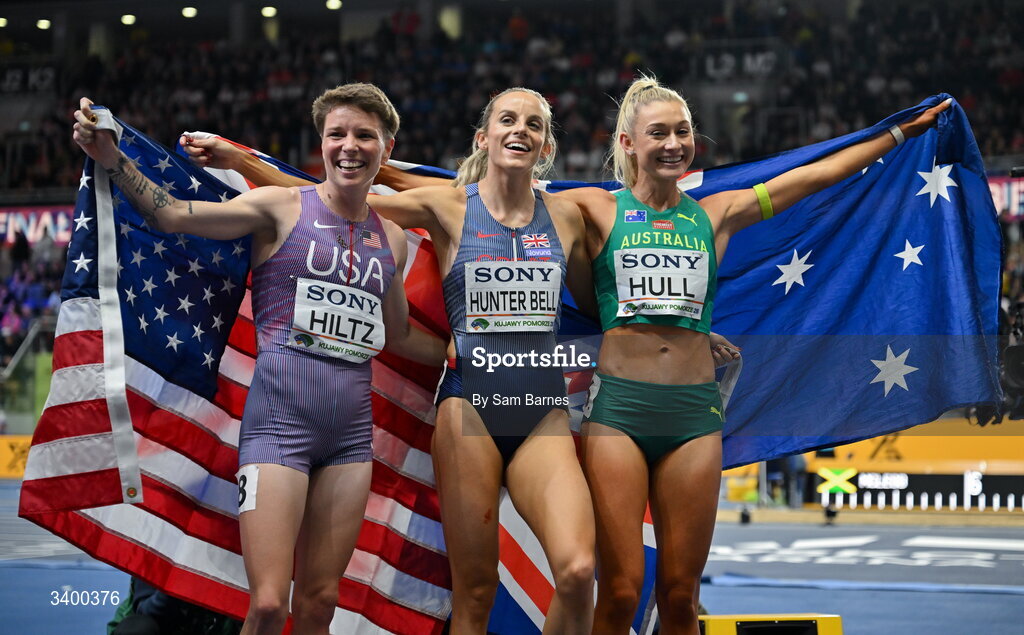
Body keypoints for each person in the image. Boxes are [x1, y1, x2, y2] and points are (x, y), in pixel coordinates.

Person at [184, 87, 600, 634]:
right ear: (484, 137)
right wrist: (243, 161)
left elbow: (603, 307)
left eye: (533, 124)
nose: (520, 130)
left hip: (537, 406)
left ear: (545, 146)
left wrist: (682, 335)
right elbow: (331, 202)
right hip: (468, 408)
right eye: (507, 119)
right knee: (474, 591)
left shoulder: (568, 217)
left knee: (577, 570)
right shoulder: (448, 204)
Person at [553, 78, 949, 634]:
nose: (673, 143)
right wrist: (391, 179)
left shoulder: (717, 213)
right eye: (658, 133)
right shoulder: (594, 209)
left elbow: (812, 177)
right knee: (618, 592)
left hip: (694, 417)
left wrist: (897, 133)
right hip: (619, 411)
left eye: (683, 132)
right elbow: (500, 201)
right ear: (627, 144)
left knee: (681, 595)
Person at [73, 84, 445, 635]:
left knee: (319, 603)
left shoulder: (390, 239)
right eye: (337, 134)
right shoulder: (281, 206)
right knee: (269, 605)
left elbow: (397, 334)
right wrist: (114, 158)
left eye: (365, 136)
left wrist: (465, 353)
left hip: (351, 440)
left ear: (386, 149)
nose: (350, 146)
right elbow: (173, 215)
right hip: (278, 431)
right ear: (320, 144)